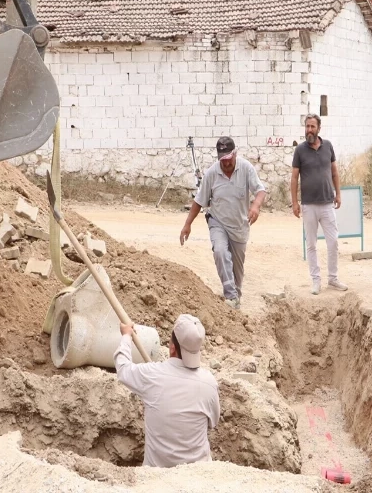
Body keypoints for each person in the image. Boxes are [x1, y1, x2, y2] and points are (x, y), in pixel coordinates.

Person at [114, 314, 220, 468]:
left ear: (171, 347)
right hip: (199, 474)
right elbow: (212, 422)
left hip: (157, 475)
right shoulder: (209, 382)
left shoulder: (152, 375)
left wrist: (126, 336)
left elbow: (123, 368)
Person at [180, 137, 267, 310]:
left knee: (237, 270)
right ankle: (230, 295)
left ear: (235, 154)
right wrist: (187, 224)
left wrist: (255, 206)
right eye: (222, 160)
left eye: (229, 159)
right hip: (217, 222)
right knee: (220, 251)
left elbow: (260, 190)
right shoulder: (212, 173)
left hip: (240, 226)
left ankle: (235, 296)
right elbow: (199, 201)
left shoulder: (246, 168)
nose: (226, 163)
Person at [290, 113, 349, 295]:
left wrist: (338, 194)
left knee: (333, 242)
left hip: (327, 203)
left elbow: (335, 173)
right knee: (311, 245)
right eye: (307, 126)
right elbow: (294, 177)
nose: (309, 130)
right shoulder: (300, 150)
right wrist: (294, 202)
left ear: (319, 128)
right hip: (308, 205)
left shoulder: (328, 146)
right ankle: (316, 280)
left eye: (312, 126)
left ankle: (333, 278)